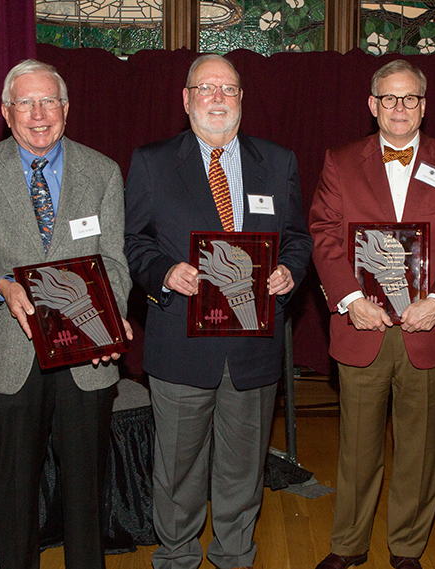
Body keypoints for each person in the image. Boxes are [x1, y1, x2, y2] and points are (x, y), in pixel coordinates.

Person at [123, 54, 313, 569]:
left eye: (228, 89)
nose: (217, 98)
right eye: (204, 88)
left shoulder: (277, 161)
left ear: (241, 100)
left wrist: (291, 272)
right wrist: (163, 271)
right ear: (186, 99)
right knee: (177, 470)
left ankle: (235, 556)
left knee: (242, 471)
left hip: (253, 348)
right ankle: (178, 557)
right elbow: (133, 240)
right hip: (182, 345)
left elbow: (297, 236)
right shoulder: (152, 161)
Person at [0, 59, 133, 569]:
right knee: (13, 496)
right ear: (7, 112)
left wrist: (109, 319)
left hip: (85, 361)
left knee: (86, 495)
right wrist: (0, 285)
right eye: (25, 102)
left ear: (66, 109)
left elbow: (114, 263)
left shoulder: (103, 171)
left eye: (49, 101)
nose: (39, 113)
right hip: (10, 354)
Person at [309, 59, 435, 569]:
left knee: (419, 449)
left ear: (424, 106)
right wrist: (349, 300)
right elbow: (323, 233)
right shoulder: (340, 161)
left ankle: (407, 548)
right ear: (372, 105)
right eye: (389, 98)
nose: (399, 108)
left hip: (427, 329)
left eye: (409, 99)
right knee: (357, 450)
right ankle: (348, 545)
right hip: (363, 326)